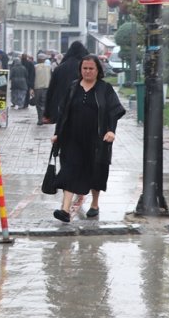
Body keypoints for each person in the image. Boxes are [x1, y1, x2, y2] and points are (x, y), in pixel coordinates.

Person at [50, 55, 125, 222]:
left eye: (91, 68)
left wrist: (111, 131)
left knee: (95, 171)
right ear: (80, 70)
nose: (88, 71)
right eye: (85, 68)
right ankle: (65, 210)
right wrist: (58, 133)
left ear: (98, 70)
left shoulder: (105, 89)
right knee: (69, 169)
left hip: (97, 139)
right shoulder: (73, 87)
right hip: (72, 138)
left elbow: (114, 110)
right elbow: (63, 113)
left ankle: (95, 204)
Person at [45, 40, 89, 123]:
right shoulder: (87, 69)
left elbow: (51, 90)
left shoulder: (59, 69)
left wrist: (47, 112)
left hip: (61, 107)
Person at [33, 52, 52, 125]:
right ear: (44, 59)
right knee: (44, 103)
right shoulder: (49, 67)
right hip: (47, 87)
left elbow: (33, 77)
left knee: (38, 104)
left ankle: (40, 119)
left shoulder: (35, 67)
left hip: (37, 87)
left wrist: (31, 88)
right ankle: (44, 117)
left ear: (38, 59)